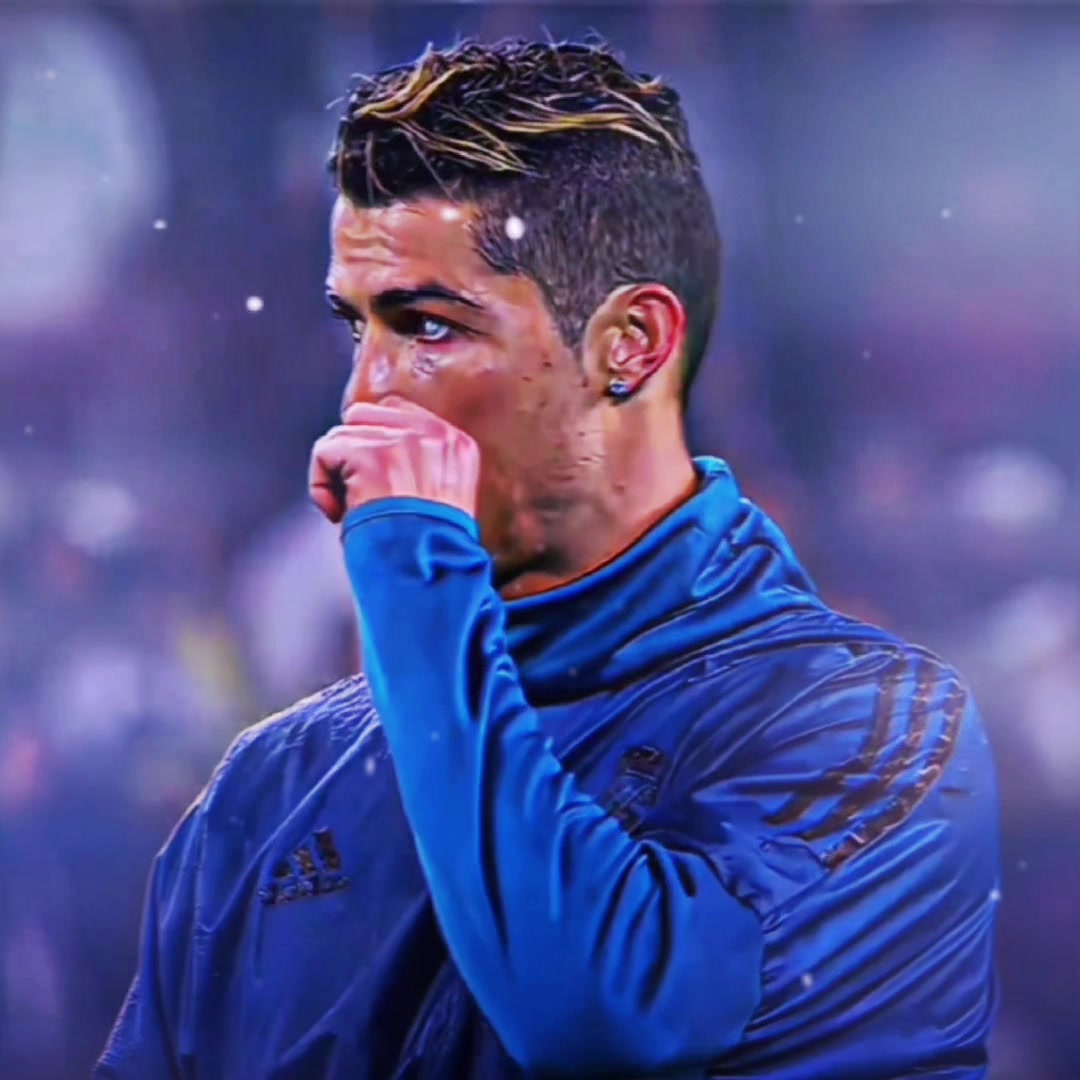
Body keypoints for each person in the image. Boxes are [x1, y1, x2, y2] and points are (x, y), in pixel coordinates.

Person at [97, 37, 1000, 1080]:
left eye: (428, 327)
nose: (364, 397)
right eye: (357, 330)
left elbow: (604, 1023)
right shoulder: (274, 783)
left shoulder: (873, 729)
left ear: (630, 345)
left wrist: (417, 566)